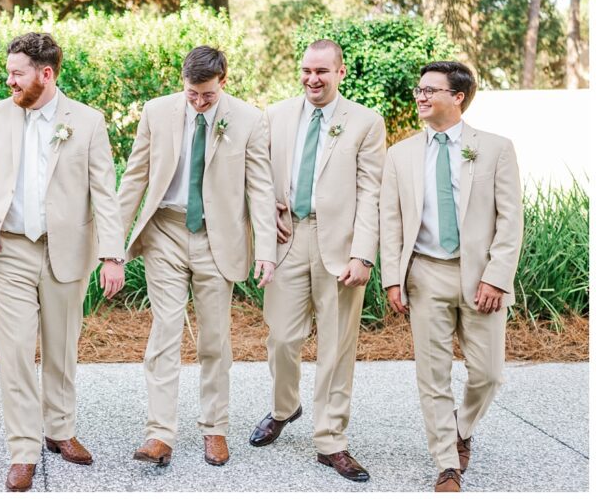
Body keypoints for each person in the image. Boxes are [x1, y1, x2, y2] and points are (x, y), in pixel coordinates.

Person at [0, 31, 126, 492]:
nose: (9, 80)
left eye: (17, 73)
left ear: (46, 74)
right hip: (7, 249)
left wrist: (113, 254)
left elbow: (105, 195)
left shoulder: (87, 122)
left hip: (66, 250)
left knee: (62, 348)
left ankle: (60, 430)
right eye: (9, 72)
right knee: (14, 353)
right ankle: (23, 450)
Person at [118, 45, 276, 467]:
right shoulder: (157, 111)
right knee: (164, 332)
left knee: (214, 340)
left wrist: (266, 250)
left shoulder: (248, 119)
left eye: (207, 94)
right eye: (192, 94)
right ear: (183, 82)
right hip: (165, 231)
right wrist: (112, 243)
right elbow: (135, 177)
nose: (199, 102)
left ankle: (215, 428)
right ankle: (159, 434)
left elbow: (260, 187)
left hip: (216, 237)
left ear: (223, 80)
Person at [381, 61, 523, 492]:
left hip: (480, 276)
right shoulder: (399, 154)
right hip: (425, 274)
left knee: (489, 374)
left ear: (457, 97)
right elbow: (392, 220)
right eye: (418, 89)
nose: (420, 96)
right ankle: (447, 463)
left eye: (430, 90)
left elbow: (510, 218)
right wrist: (393, 278)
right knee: (433, 375)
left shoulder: (495, 148)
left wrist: (497, 276)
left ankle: (461, 427)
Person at [250, 39, 385, 482]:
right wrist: (269, 209)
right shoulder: (275, 115)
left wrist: (363, 253)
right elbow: (259, 175)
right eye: (307, 70)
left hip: (341, 248)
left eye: (322, 72)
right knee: (282, 339)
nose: (313, 79)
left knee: (336, 348)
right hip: (289, 240)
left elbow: (371, 193)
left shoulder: (365, 122)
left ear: (340, 73)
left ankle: (331, 441)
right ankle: (285, 408)